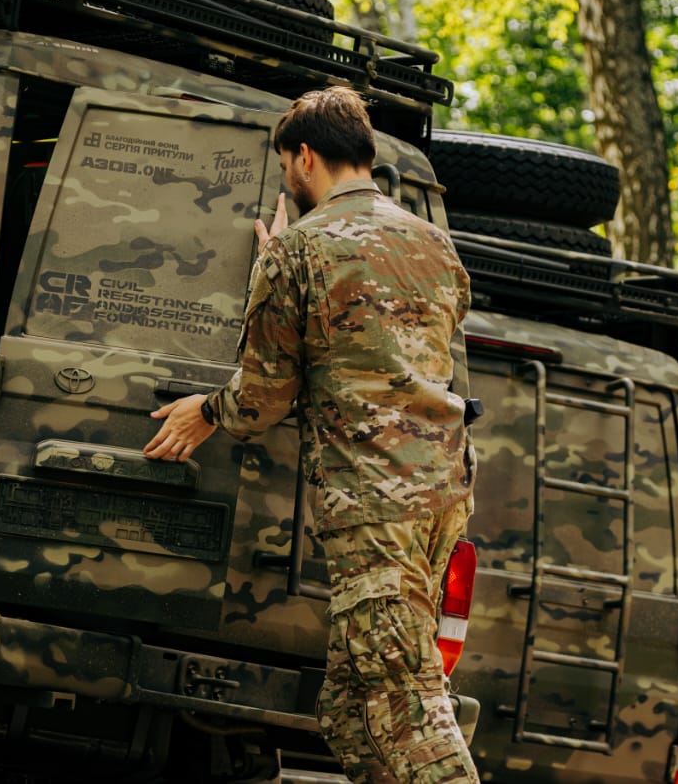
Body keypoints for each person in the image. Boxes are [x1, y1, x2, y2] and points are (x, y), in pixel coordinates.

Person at [143, 86, 478, 783]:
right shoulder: (434, 243)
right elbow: (394, 338)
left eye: (284, 166)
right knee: (350, 710)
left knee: (404, 698)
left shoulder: (298, 251)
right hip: (441, 490)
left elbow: (264, 397)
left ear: (303, 158)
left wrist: (205, 411)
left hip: (375, 499)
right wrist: (287, 266)